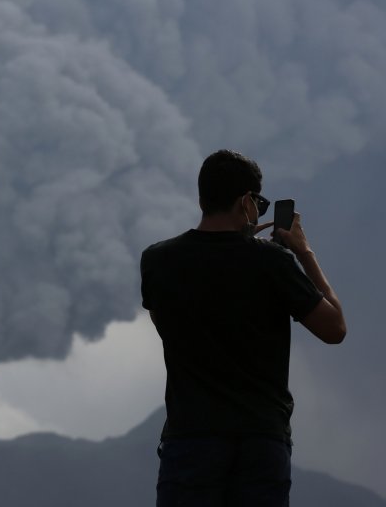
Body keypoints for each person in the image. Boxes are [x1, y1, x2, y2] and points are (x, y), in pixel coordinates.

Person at [140, 149, 346, 507]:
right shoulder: (272, 263)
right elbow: (335, 328)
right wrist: (303, 252)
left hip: (190, 439)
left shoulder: (158, 259)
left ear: (203, 197)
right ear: (246, 201)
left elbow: (166, 327)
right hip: (259, 441)